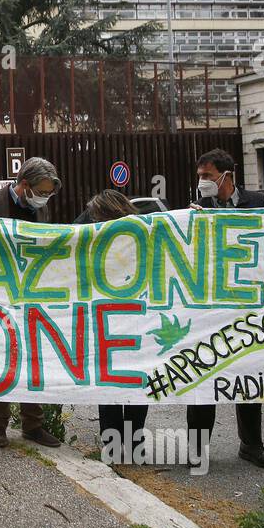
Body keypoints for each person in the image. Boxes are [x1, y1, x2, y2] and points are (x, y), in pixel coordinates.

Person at [186, 148, 264, 471]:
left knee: (248, 377)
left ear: (227, 175)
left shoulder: (257, 203)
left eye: (207, 176)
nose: (202, 182)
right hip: (208, 308)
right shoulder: (198, 208)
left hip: (247, 307)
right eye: (200, 176)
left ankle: (251, 445)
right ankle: (197, 450)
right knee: (202, 378)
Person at [0, 157, 63, 448]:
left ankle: (32, 424)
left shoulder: (42, 211)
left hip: (30, 296)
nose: (45, 198)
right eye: (42, 191)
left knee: (32, 358)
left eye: (49, 193)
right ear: (24, 185)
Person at [80, 190, 151, 464]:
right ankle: (113, 446)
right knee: (109, 383)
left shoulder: (147, 232)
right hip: (106, 320)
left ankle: (133, 445)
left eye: (97, 218)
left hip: (135, 319)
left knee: (135, 383)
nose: (93, 222)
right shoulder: (91, 229)